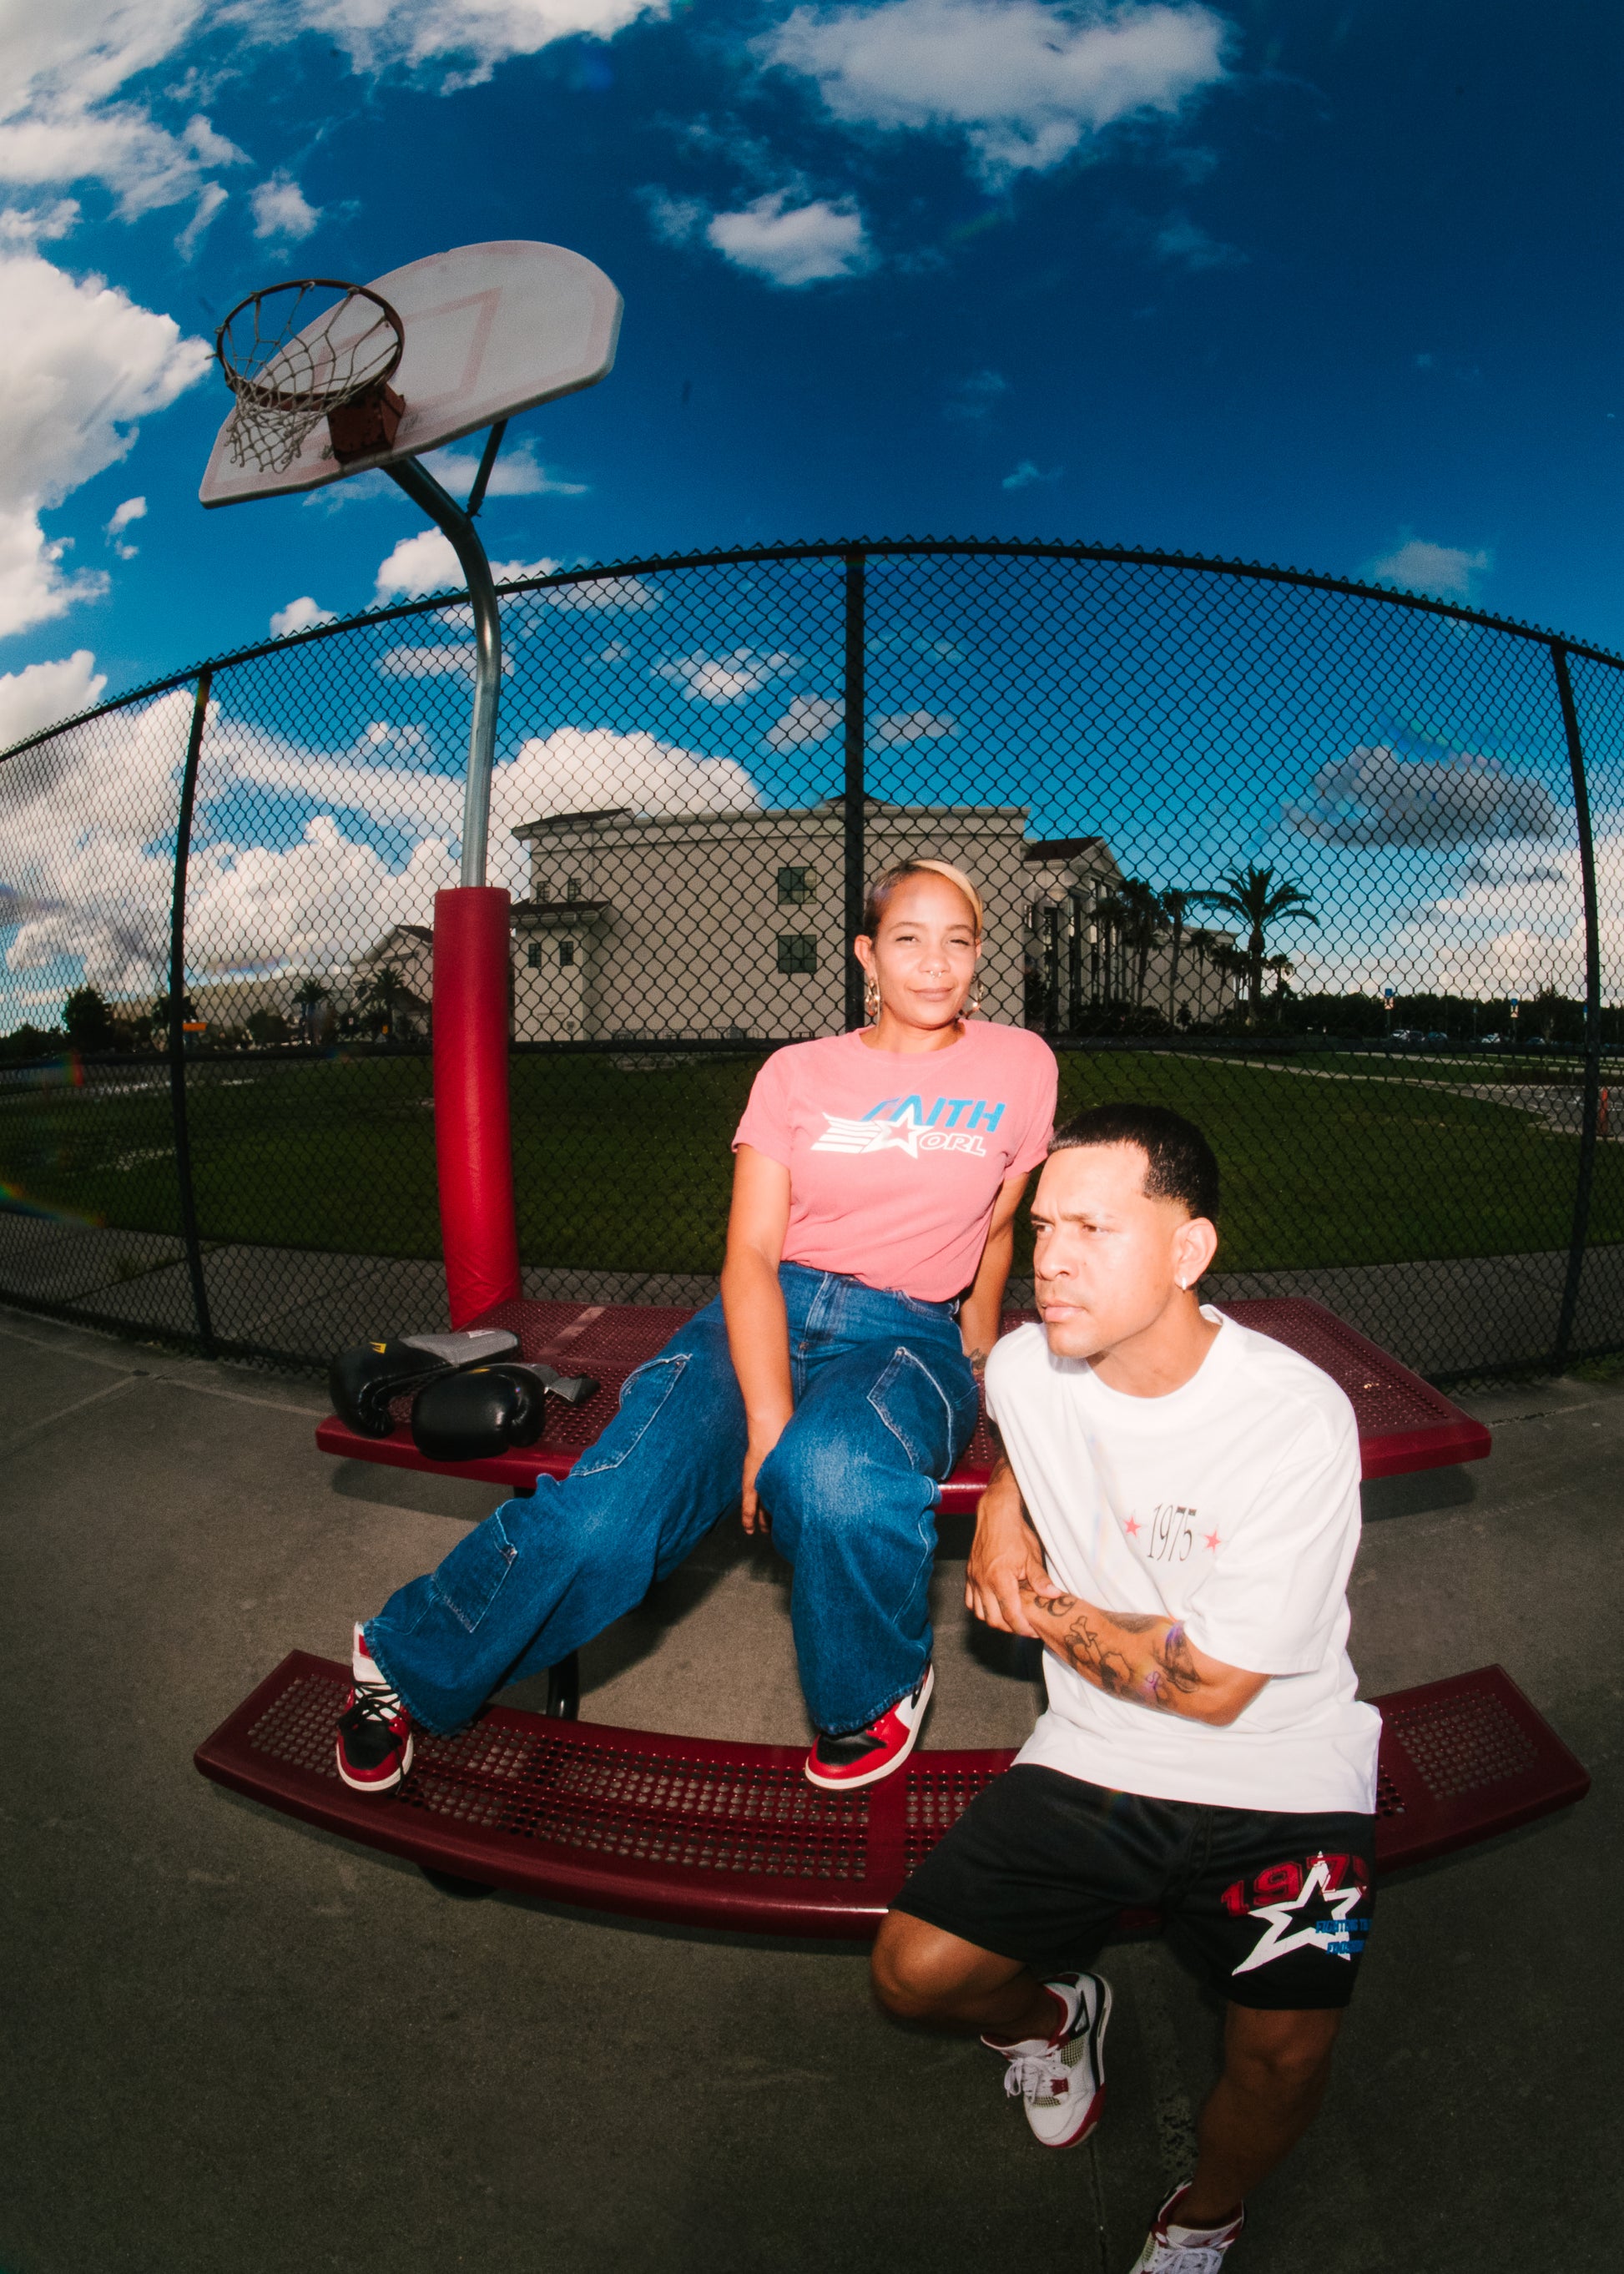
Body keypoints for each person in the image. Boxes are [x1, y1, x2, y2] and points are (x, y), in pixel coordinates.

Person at [335, 859, 1057, 1795]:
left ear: (979, 953)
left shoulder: (1019, 1064)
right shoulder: (797, 1073)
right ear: (865, 955)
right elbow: (749, 1254)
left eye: (957, 941)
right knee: (607, 1516)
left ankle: (873, 1687)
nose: (934, 962)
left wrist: (981, 1356)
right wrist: (765, 1422)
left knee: (834, 1475)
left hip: (905, 1330)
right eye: (908, 939)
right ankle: (404, 1659)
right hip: (765, 1309)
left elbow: (996, 1230)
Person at [870, 1102, 1378, 2273]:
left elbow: (1209, 1686)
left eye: (1093, 1228)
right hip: (1099, 1748)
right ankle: (1059, 2016)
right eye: (1043, 1227)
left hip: (1281, 1768)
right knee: (912, 1974)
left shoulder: (1292, 1418)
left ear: (1187, 1250)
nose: (1049, 1259)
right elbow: (1023, 1427)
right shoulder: (1026, 1363)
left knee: (1283, 2056)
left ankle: (1205, 2215)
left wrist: (1036, 1600)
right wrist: (1004, 1509)